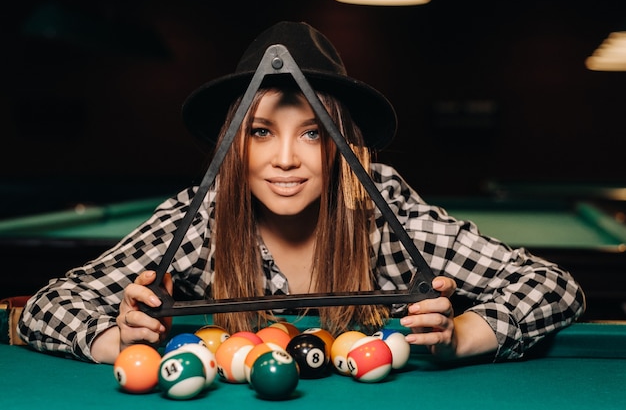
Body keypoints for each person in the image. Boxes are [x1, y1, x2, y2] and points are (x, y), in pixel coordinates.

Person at [18, 21, 585, 365]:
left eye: (312, 132)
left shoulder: (382, 212)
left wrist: (461, 335)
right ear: (233, 145)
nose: (285, 158)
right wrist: (118, 339)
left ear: (341, 147)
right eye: (261, 131)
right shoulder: (203, 215)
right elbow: (49, 304)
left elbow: (554, 286)